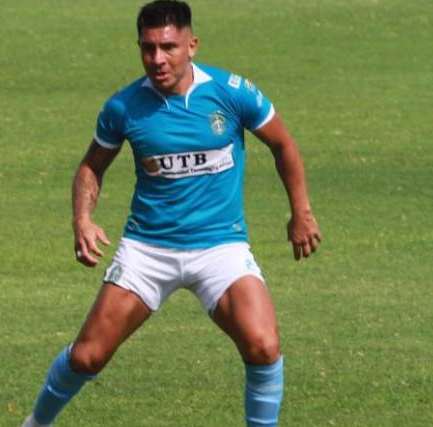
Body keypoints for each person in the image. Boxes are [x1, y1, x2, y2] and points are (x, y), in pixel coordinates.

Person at [21, 1, 322, 426]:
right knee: (89, 356)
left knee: (262, 345)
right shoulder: (124, 107)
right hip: (148, 249)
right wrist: (82, 219)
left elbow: (283, 144)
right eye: (148, 48)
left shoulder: (232, 92)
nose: (157, 59)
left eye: (168, 47)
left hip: (220, 246)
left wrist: (302, 213)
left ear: (192, 45)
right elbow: (92, 166)